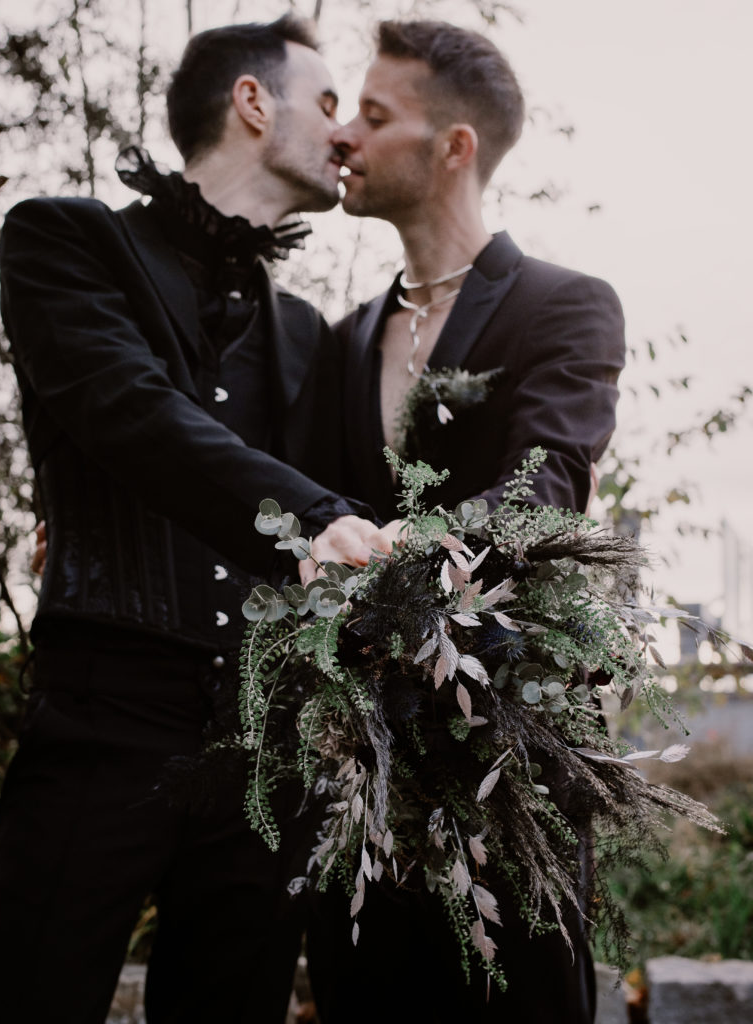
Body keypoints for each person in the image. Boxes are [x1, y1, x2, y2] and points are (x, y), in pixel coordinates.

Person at [0, 15, 386, 1024]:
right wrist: (311, 517)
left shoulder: (309, 333)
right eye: (329, 104)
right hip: (101, 710)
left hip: (265, 750)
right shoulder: (64, 237)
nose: (345, 135)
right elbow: (127, 408)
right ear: (253, 102)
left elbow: (370, 498)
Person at [303, 19, 627, 1024]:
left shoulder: (564, 305)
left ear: (455, 148)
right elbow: (299, 503)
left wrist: (401, 549)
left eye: (373, 114)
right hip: (355, 775)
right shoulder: (345, 339)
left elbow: (545, 490)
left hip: (509, 770)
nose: (342, 136)